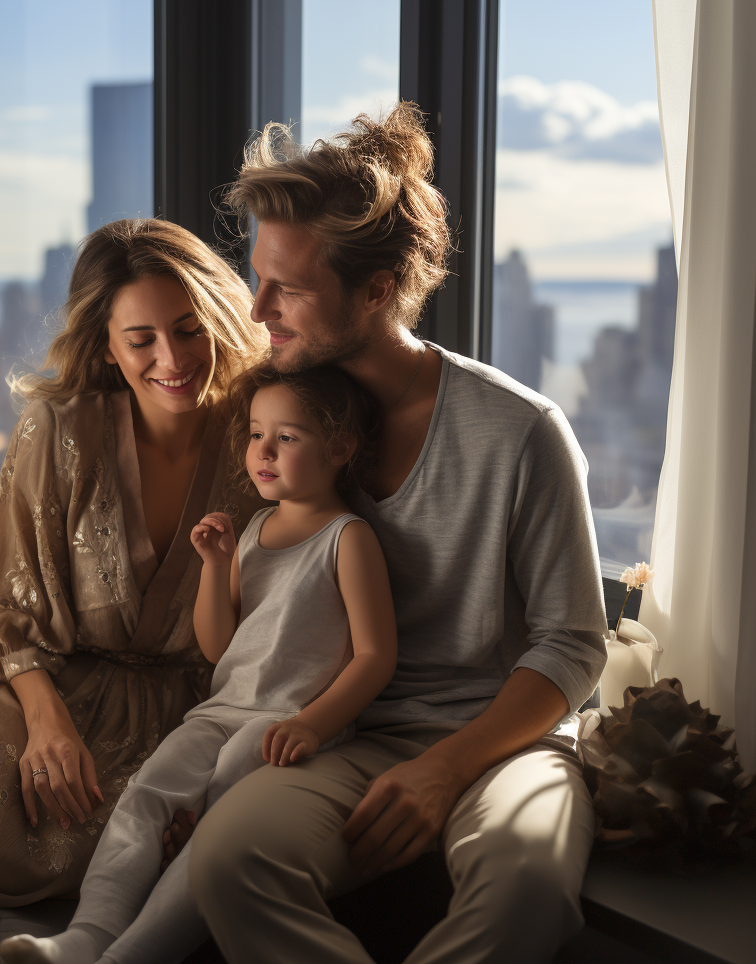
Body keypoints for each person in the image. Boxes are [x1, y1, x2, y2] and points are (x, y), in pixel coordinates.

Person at [186, 104, 608, 963]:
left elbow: (573, 647)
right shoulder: (283, 422)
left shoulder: (521, 431)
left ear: (377, 292)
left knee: (526, 886)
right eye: (256, 276)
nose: (257, 307)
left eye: (289, 289)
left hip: (508, 742)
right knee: (229, 861)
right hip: (348, 738)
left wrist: (448, 766)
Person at [0, 218, 269, 906]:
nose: (174, 358)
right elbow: (3, 610)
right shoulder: (61, 429)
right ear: (105, 348)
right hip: (48, 688)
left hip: (197, 714)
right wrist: (45, 722)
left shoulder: (263, 434)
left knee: (131, 847)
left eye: (189, 328)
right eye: (141, 339)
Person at [0, 363, 397, 964]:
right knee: (145, 793)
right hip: (222, 710)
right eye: (256, 434)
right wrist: (216, 567)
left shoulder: (348, 538)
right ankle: (87, 936)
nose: (262, 451)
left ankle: (132, 953)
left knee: (221, 807)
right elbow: (218, 646)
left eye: (286, 438)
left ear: (338, 448)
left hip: (288, 722)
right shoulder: (257, 528)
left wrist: (312, 724)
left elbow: (376, 655)